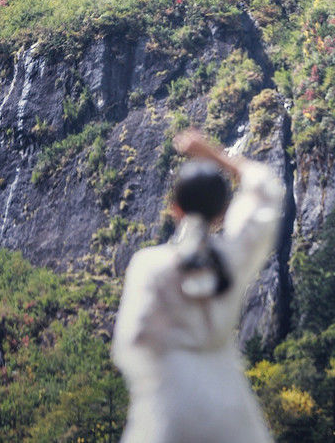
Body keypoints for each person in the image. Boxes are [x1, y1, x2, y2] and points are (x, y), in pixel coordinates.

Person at [111, 127, 284, 443]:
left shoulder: (150, 265)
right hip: (231, 411)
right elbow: (267, 190)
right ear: (221, 213)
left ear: (175, 209)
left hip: (168, 410)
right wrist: (215, 154)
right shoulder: (231, 260)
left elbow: (131, 343)